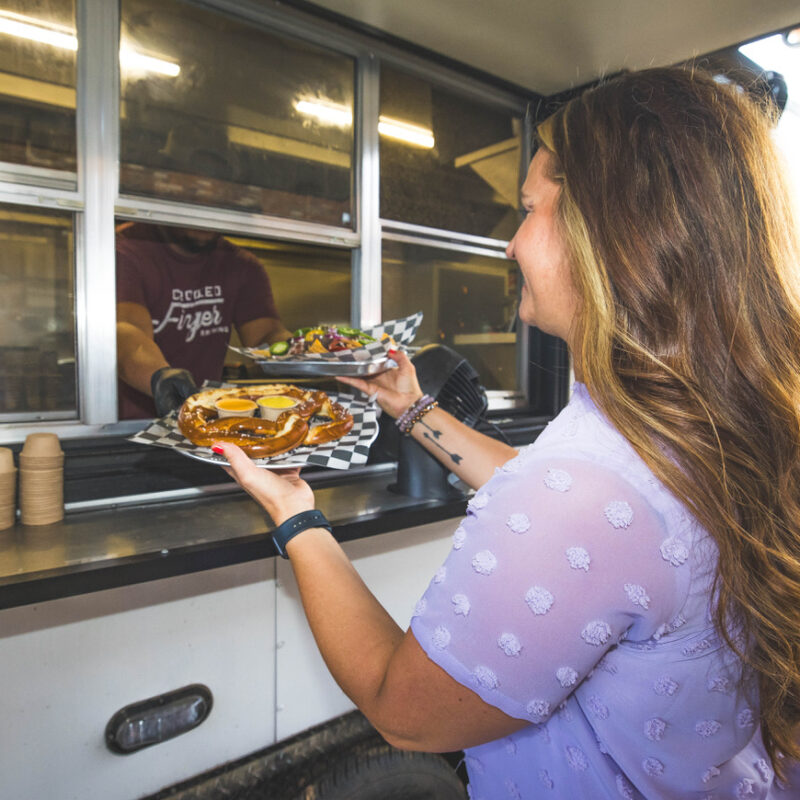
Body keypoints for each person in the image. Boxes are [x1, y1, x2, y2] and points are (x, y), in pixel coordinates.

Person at [213, 66, 800, 798]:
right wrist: (412, 409)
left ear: (605, 230)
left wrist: (294, 514)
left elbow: (407, 714)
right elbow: (578, 509)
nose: (510, 243)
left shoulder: (585, 487)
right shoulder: (708, 415)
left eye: (528, 209)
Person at [116, 222, 292, 418]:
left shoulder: (240, 264)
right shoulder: (127, 248)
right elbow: (126, 328)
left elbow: (264, 335)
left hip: (206, 417)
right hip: (129, 425)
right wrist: (160, 378)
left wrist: (299, 347)